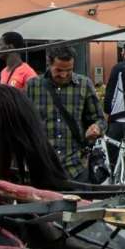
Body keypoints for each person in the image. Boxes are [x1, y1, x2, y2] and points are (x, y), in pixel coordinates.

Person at [26, 45, 104, 184]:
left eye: (69, 70)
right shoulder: (32, 86)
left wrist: (96, 128)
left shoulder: (84, 85)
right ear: (48, 62)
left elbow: (99, 119)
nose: (63, 75)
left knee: (80, 206)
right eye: (59, 70)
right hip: (41, 167)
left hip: (76, 167)